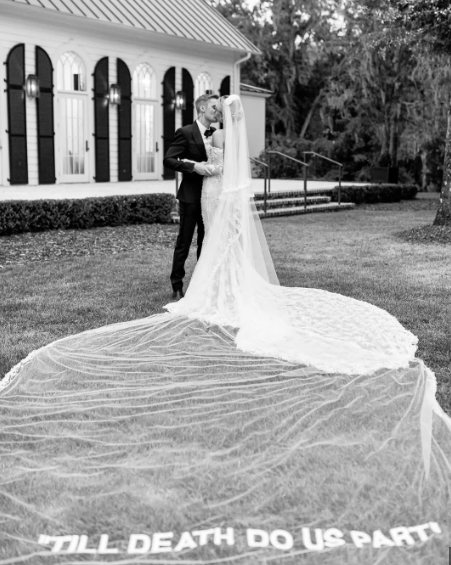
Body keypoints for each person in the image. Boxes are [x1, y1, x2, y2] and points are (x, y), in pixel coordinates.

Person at [1, 95, 450, 564]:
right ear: (206, 110)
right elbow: (179, 159)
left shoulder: (224, 137)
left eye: (221, 110)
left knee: (216, 245)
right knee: (197, 244)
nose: (216, 114)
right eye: (213, 109)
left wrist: (213, 166)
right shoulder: (195, 132)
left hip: (220, 193)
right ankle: (190, 284)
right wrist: (200, 167)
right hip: (202, 193)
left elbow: (228, 164)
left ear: (224, 114)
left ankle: (215, 290)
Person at [163, 94, 218, 300]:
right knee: (184, 243)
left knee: (206, 242)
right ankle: (177, 286)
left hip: (210, 195)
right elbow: (168, 160)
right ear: (202, 108)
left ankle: (201, 285)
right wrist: (193, 166)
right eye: (214, 107)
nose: (217, 111)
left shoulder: (217, 134)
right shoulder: (185, 132)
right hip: (190, 196)